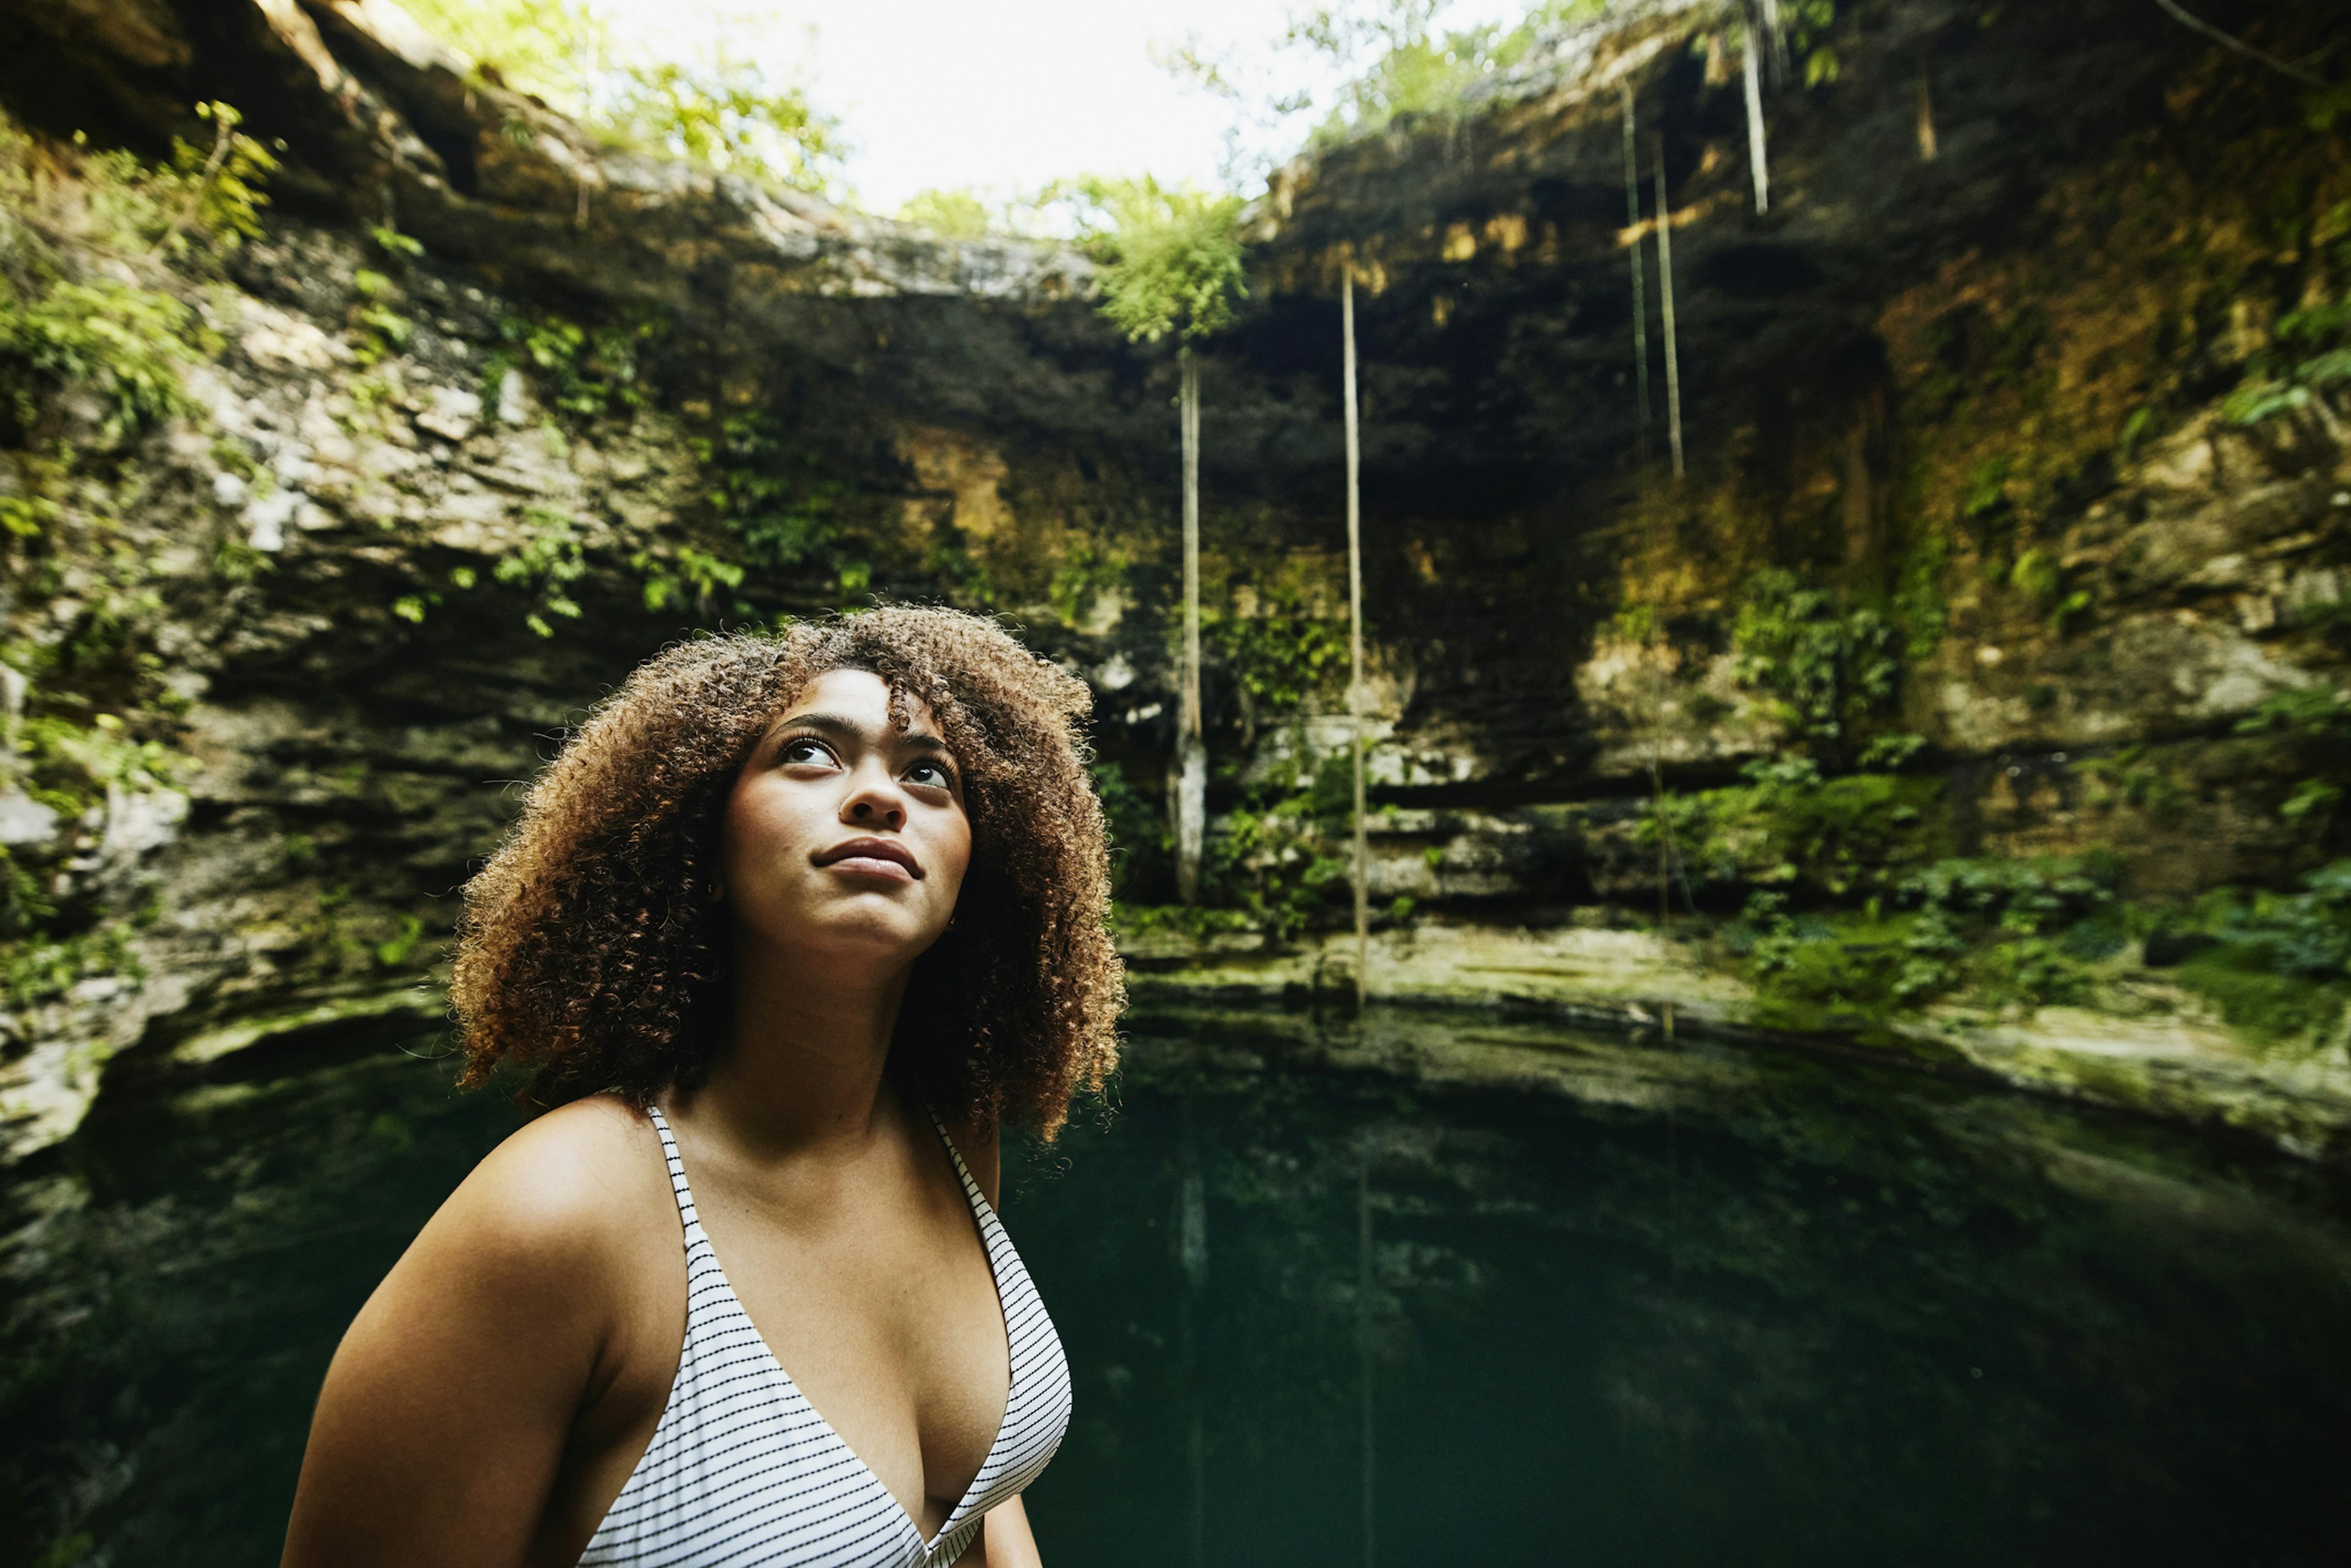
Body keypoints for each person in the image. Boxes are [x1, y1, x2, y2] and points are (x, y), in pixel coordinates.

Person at [282, 607, 1124, 1567]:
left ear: (980, 871)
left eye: (929, 772)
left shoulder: (948, 1133)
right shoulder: (561, 1214)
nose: (882, 797)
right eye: (811, 753)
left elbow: (972, 1501)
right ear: (702, 845)